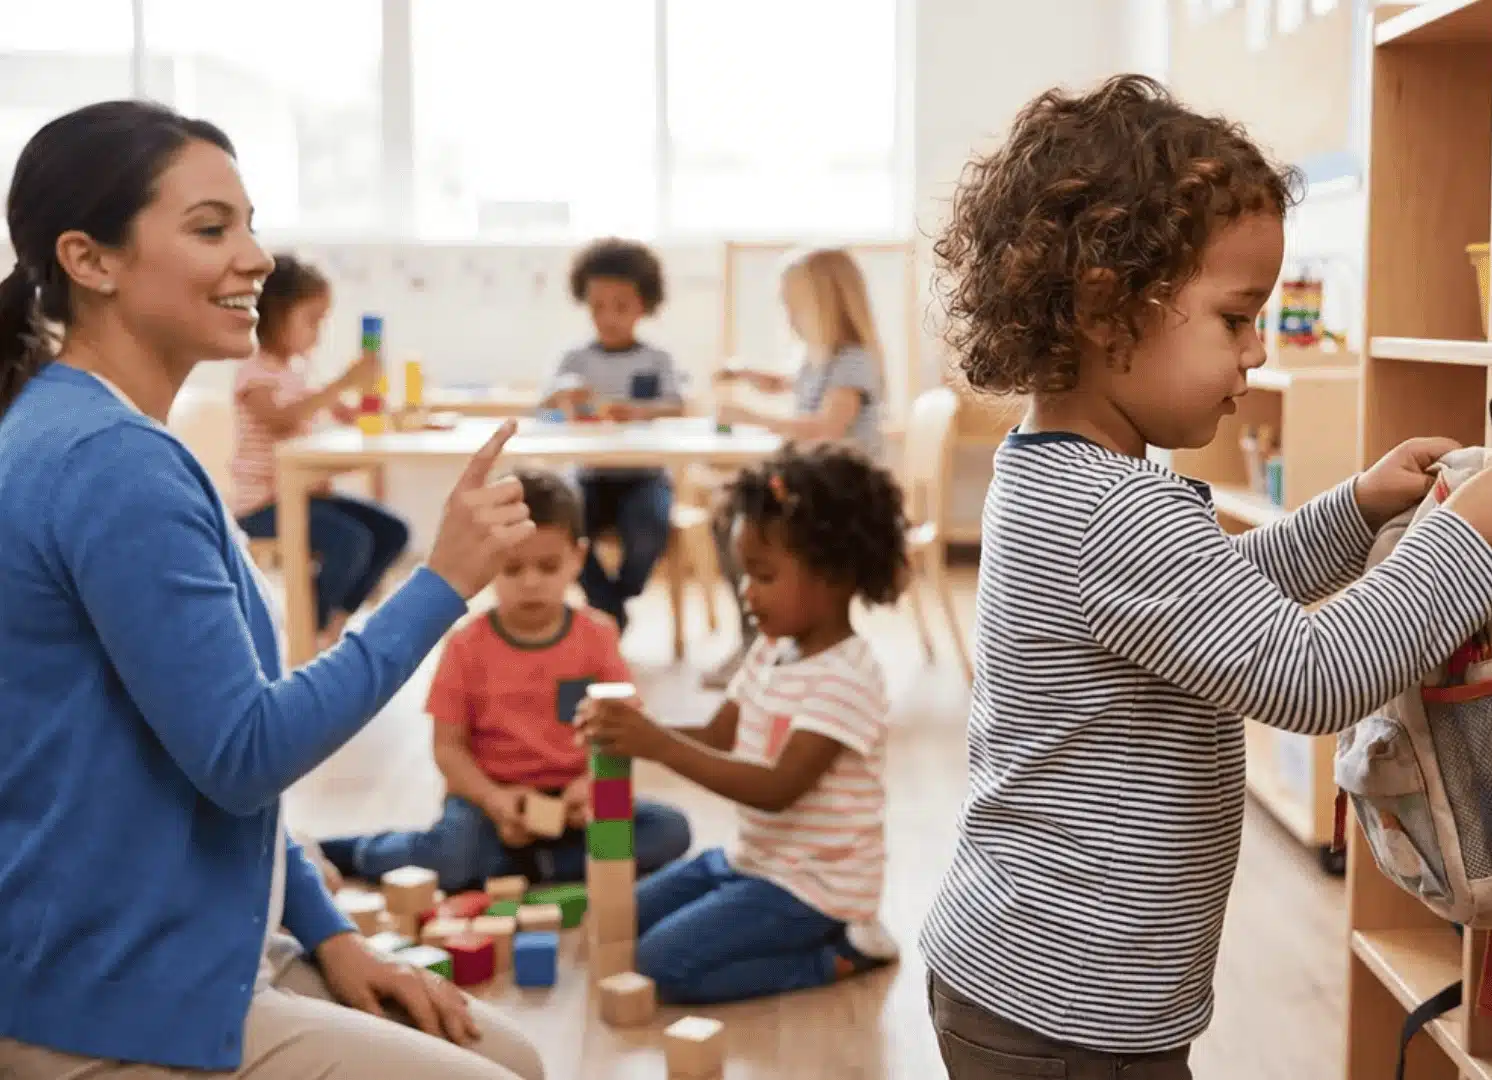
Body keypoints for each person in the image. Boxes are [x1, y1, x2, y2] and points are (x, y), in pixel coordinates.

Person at [913, 75, 1492, 1079]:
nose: (1258, 353)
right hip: (1065, 1015)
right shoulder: (1109, 508)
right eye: (1235, 319)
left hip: (1039, 983)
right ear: (1105, 308)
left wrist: (1355, 511)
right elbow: (1304, 673)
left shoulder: (1060, 471)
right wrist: (1467, 542)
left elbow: (1216, 597)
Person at [0, 100, 544, 1079]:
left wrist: (331, 932)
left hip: (174, 936)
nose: (254, 257)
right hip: (100, 987)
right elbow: (244, 754)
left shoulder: (99, 432)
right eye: (212, 228)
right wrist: (442, 580)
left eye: (251, 223)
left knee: (510, 1054)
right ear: (91, 260)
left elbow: (191, 760)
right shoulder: (107, 461)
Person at [576, 441, 907, 1005]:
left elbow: (778, 789)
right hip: (751, 860)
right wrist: (636, 731)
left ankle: (842, 953)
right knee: (613, 917)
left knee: (663, 963)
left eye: (764, 576)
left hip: (815, 889)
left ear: (835, 575)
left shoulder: (847, 678)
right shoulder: (771, 651)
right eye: (743, 575)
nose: (746, 594)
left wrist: (656, 744)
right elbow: (717, 737)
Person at [317, 468, 693, 891]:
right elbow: (448, 748)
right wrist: (495, 800)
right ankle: (350, 852)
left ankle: (519, 866)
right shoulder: (466, 645)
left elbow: (620, 736)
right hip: (487, 804)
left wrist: (588, 786)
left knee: (669, 829)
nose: (531, 582)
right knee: (454, 853)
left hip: (571, 804)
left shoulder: (597, 637)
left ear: (579, 559)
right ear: (489, 564)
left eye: (548, 566)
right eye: (512, 569)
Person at [701, 247, 890, 687]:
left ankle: (759, 638)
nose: (787, 316)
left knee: (732, 515)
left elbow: (826, 425)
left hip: (845, 497)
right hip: (818, 485)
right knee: (728, 507)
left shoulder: (854, 361)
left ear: (821, 305)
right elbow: (787, 382)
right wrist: (747, 374)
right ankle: (761, 635)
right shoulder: (818, 360)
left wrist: (751, 416)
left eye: (792, 305)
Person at [232, 252, 411, 650]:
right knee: (351, 542)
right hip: (262, 505)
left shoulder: (297, 372)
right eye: (312, 320)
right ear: (276, 315)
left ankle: (333, 622)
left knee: (391, 532)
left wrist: (373, 401)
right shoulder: (256, 371)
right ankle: (307, 631)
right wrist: (341, 382)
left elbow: (338, 414)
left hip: (303, 495)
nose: (318, 332)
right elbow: (280, 419)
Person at [540, 237, 684, 632]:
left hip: (644, 474)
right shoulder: (575, 360)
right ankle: (608, 609)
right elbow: (544, 408)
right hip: (588, 474)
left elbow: (677, 406)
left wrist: (638, 411)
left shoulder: (657, 360)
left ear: (645, 305)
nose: (608, 316)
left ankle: (615, 602)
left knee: (649, 530)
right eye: (597, 306)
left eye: (621, 306)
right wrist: (561, 395)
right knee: (565, 525)